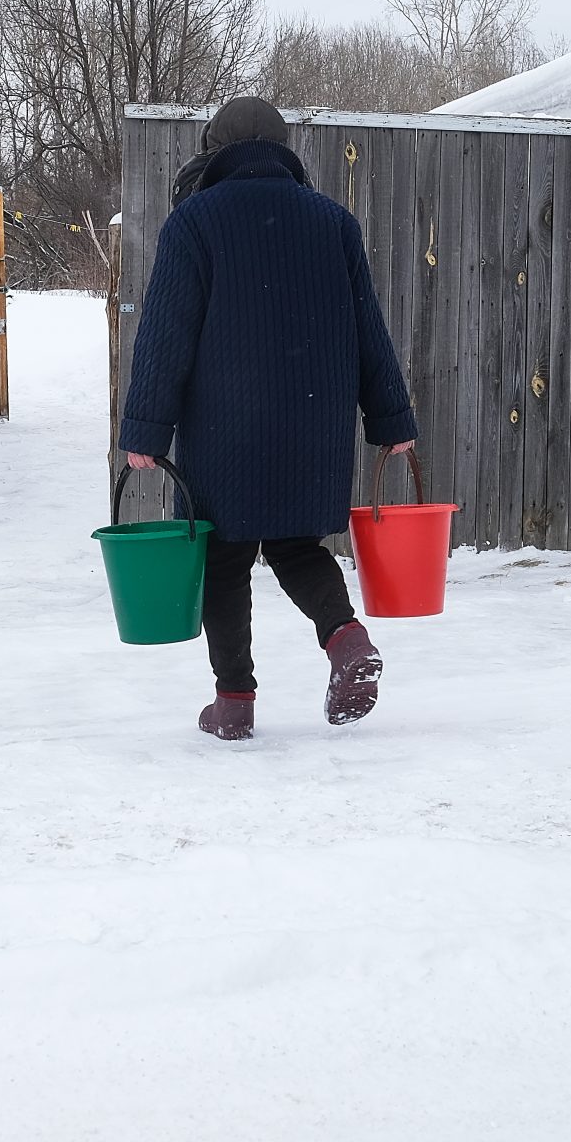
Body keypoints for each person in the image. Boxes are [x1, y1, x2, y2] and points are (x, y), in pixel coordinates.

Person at [118, 96, 419, 741]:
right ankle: (346, 641)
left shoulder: (195, 221)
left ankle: (235, 702)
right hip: (314, 421)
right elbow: (370, 329)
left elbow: (166, 333)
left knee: (223, 558)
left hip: (224, 420)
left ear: (215, 151)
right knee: (296, 546)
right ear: (283, 150)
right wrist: (391, 419)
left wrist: (145, 429)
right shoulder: (333, 222)